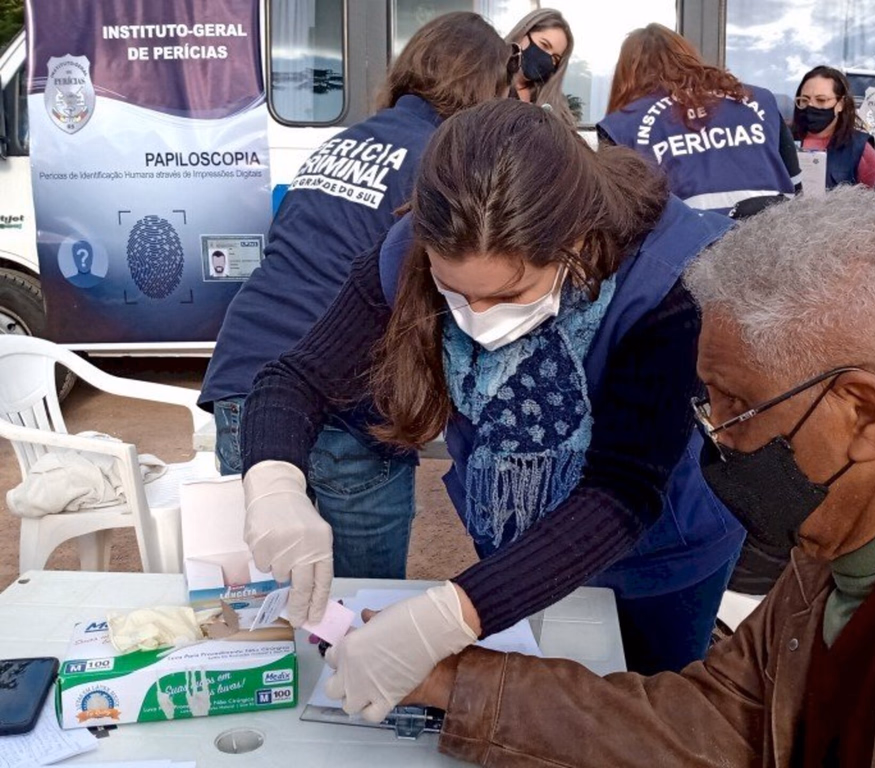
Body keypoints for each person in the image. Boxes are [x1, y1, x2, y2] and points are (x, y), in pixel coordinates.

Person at [403, 185, 875, 767]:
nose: (716, 434)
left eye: (735, 404)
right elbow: (725, 720)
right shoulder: (841, 538)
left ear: (863, 414)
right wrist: (453, 681)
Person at [241, 99, 746, 718]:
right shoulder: (411, 249)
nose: (477, 320)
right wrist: (274, 484)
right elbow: (295, 379)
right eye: (453, 291)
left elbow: (624, 490)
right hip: (518, 546)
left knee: (642, 718)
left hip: (660, 554)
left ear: (578, 241)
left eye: (510, 294)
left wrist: (448, 616)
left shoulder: (670, 282)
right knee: (531, 710)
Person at [198, 12, 510, 579]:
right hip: (344, 391)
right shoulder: (446, 161)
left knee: (272, 601)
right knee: (361, 606)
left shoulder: (337, 144)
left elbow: (291, 254)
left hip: (244, 379)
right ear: (486, 86)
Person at [598, 24, 800, 217]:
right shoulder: (761, 100)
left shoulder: (622, 126)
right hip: (777, 240)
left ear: (626, 75)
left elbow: (620, 220)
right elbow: (797, 187)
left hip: (691, 247)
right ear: (689, 55)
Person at [792, 65, 875, 188]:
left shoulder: (859, 148)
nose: (810, 106)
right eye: (804, 100)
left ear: (840, 104)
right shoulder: (783, 140)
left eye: (821, 100)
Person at [504, 9, 574, 125]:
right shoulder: (485, 81)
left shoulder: (553, 103)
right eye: (544, 45)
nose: (546, 58)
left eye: (555, 58)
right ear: (523, 34)